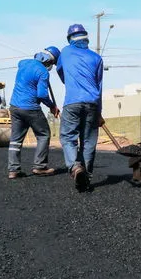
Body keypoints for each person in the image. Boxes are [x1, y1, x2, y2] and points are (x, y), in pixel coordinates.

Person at [57, 24, 104, 190]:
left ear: (70, 39)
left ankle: (76, 167)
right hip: (92, 103)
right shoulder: (96, 58)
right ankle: (87, 176)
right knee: (89, 140)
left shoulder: (65, 52)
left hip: (72, 102)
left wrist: (70, 81)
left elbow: (61, 72)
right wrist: (99, 112)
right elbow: (99, 86)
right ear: (86, 38)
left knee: (68, 137)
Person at [7, 46, 61, 180]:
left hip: (14, 107)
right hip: (30, 108)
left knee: (15, 140)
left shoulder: (23, 63)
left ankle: (13, 170)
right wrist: (52, 106)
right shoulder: (43, 72)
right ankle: (40, 166)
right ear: (49, 61)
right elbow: (42, 94)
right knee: (43, 134)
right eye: (52, 63)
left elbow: (22, 66)